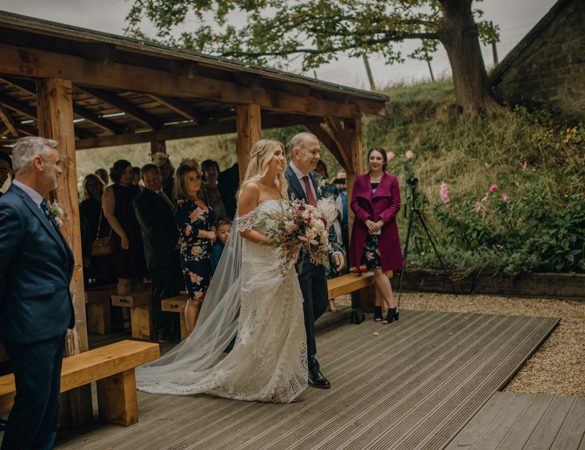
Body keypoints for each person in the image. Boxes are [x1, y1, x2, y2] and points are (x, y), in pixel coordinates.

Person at [136, 139, 307, 404]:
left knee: (284, 318)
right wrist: (274, 241)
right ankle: (260, 378)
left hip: (283, 263)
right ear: (262, 158)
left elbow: (285, 223)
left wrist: (295, 237)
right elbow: (244, 230)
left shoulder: (279, 185)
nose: (282, 158)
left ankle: (280, 378)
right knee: (263, 322)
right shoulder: (251, 187)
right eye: (277, 154)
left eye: (283, 153)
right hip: (261, 265)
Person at [0, 136, 75, 450]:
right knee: (33, 404)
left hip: (52, 321)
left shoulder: (38, 204)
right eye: (56, 163)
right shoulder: (10, 208)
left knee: (48, 405)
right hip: (30, 325)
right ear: (38, 163)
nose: (60, 170)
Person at [285, 132, 344, 389]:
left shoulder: (317, 180)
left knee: (318, 304)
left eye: (319, 152)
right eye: (314, 152)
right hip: (297, 258)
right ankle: (310, 366)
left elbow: (325, 218)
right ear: (296, 153)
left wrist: (335, 248)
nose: (318, 157)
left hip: (318, 255)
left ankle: (297, 348)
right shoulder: (282, 181)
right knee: (307, 309)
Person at [349, 147, 403, 324]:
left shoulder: (392, 181)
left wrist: (380, 221)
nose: (374, 161)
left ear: (384, 161)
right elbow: (354, 203)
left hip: (384, 231)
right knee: (378, 270)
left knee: (380, 270)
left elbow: (396, 204)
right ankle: (380, 308)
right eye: (372, 158)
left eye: (378, 158)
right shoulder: (360, 180)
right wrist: (365, 220)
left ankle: (391, 307)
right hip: (366, 232)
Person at [133, 164, 184, 343]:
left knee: (180, 289)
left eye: (155, 178)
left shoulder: (172, 192)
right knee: (162, 292)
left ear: (161, 176)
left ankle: (180, 328)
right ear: (143, 181)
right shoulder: (140, 201)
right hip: (159, 254)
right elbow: (151, 229)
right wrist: (177, 240)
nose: (153, 182)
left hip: (180, 252)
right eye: (148, 180)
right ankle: (163, 330)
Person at [103, 160, 148, 331]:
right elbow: (109, 215)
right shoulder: (111, 190)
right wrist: (123, 235)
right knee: (124, 278)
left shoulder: (138, 189)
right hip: (121, 237)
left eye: (131, 171)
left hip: (138, 236)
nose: (129, 175)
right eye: (125, 172)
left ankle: (140, 314)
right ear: (117, 174)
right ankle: (125, 317)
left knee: (138, 277)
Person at [173, 159, 216, 333]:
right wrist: (207, 234)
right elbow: (184, 229)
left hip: (208, 252)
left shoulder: (202, 199)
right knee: (195, 297)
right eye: (191, 179)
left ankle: (204, 333)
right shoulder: (181, 204)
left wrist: (212, 227)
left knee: (206, 296)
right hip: (193, 255)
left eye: (197, 177)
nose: (197, 181)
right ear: (183, 183)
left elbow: (208, 221)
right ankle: (193, 341)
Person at [314, 159, 343, 312]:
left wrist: (332, 214)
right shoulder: (311, 186)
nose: (318, 172)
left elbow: (339, 207)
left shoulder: (331, 188)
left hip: (331, 226)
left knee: (332, 265)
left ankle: (331, 298)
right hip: (315, 230)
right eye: (316, 168)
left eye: (321, 169)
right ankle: (324, 299)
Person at [79, 174, 114, 285]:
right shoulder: (85, 205)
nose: (94, 187)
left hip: (110, 236)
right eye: (90, 185)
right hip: (95, 240)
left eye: (95, 183)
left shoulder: (109, 197)